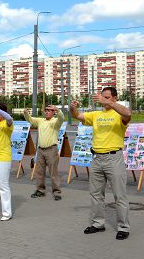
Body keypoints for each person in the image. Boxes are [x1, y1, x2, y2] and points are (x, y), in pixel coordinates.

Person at [70, 86, 131, 240]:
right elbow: (78, 116)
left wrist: (108, 103)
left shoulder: (118, 114)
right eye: (102, 97)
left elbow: (128, 114)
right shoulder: (96, 114)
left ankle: (123, 227)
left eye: (107, 97)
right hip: (97, 158)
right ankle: (98, 223)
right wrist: (72, 108)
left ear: (115, 98)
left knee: (119, 194)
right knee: (96, 194)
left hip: (114, 157)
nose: (103, 100)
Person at [24, 105, 64, 201]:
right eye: (46, 110)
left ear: (53, 112)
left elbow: (61, 118)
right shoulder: (41, 121)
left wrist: (57, 109)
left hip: (51, 149)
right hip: (41, 150)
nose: (46, 112)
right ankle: (40, 190)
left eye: (49, 110)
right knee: (39, 172)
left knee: (53, 172)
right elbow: (30, 120)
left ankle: (57, 191)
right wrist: (25, 113)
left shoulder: (55, 122)